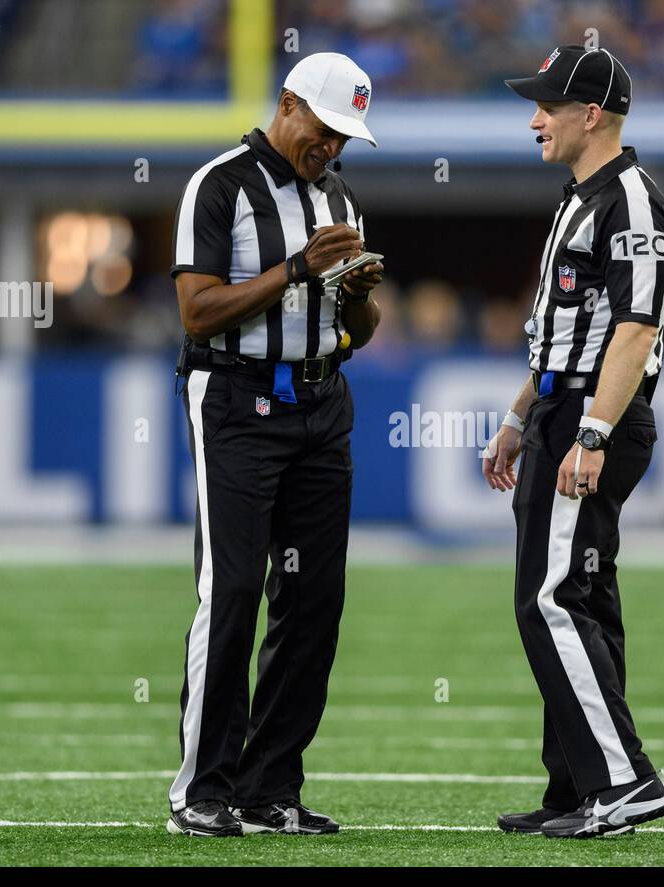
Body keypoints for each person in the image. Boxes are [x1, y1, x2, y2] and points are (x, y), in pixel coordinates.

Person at [166, 52, 383, 837]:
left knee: (315, 599)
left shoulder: (340, 195)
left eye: (345, 139)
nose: (332, 149)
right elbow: (197, 312)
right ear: (288, 105)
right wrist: (296, 270)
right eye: (325, 131)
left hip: (323, 401)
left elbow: (359, 332)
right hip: (236, 399)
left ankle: (270, 787)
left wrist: (356, 296)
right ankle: (202, 787)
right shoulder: (218, 185)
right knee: (230, 592)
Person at [482, 45, 664, 838]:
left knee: (550, 596)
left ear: (589, 113)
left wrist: (590, 431)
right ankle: (575, 786)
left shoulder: (632, 199)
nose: (534, 119)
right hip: (564, 408)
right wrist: (519, 413)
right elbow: (562, 330)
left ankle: (624, 781)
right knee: (582, 592)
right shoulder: (582, 197)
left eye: (547, 106)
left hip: (596, 415)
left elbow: (636, 328)